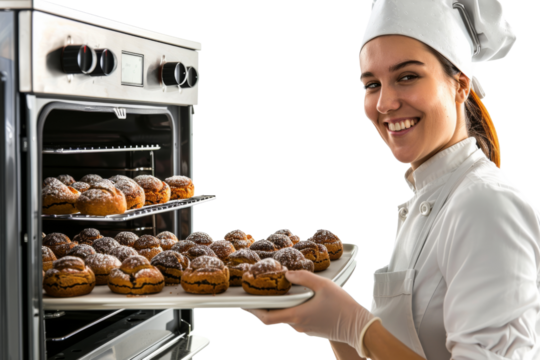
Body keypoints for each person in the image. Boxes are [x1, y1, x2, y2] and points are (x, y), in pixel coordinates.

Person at [241, 1, 540, 359]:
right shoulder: (426, 201)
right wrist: (333, 327)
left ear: (460, 85)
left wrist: (356, 326)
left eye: (407, 76)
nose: (384, 103)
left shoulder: (486, 206)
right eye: (371, 84)